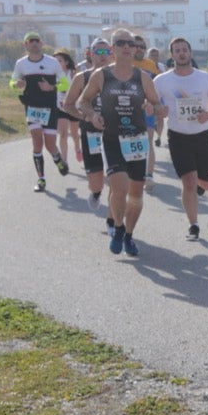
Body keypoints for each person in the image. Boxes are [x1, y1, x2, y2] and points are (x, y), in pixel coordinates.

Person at [68, 28, 162, 257]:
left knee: (136, 195)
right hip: (112, 139)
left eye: (131, 43)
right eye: (121, 43)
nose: (127, 47)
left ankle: (129, 235)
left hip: (137, 140)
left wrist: (153, 108)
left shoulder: (143, 77)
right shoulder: (102, 75)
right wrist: (92, 115)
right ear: (113, 49)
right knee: (119, 188)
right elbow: (83, 101)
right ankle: (118, 228)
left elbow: (158, 106)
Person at [153, 37, 208, 241]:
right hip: (178, 138)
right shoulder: (162, 81)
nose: (181, 53)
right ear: (172, 55)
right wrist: (159, 109)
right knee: (189, 182)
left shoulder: (204, 78)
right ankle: (193, 225)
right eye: (177, 50)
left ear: (190, 53)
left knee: (207, 184)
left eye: (185, 49)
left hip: (202, 137)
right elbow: (149, 103)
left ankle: (202, 188)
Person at [11, 32, 70, 192]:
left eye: (37, 41)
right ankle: (41, 179)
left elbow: (65, 84)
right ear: (26, 45)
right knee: (37, 142)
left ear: (41, 43)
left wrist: (52, 87)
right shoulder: (21, 63)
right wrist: (17, 84)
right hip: (32, 107)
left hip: (49, 108)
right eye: (31, 41)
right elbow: (12, 82)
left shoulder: (52, 63)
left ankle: (58, 159)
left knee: (50, 145)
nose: (34, 43)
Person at [75, 37, 113, 215]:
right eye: (99, 52)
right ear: (91, 54)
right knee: (96, 181)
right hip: (91, 134)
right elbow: (68, 105)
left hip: (116, 133)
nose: (103, 55)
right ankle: (96, 193)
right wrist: (87, 117)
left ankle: (114, 220)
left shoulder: (120, 75)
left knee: (118, 180)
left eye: (106, 51)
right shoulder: (82, 77)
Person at [52, 49, 81, 166]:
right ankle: (64, 160)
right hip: (59, 108)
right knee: (63, 133)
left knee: (74, 133)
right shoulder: (52, 74)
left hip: (72, 107)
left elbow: (80, 89)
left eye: (59, 60)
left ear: (66, 62)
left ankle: (78, 149)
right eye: (54, 61)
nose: (56, 63)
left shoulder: (73, 73)